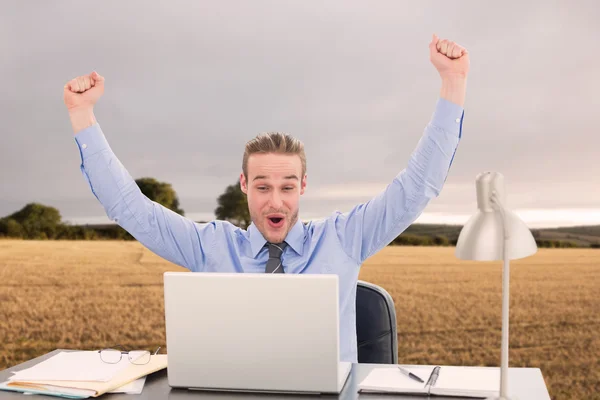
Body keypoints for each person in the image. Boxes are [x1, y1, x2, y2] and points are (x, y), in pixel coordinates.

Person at [63, 34, 469, 363]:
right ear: (244, 184)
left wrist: (453, 84)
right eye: (263, 187)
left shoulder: (344, 239)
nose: (275, 202)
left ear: (303, 186)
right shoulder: (211, 247)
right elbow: (132, 210)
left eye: (287, 187)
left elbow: (416, 188)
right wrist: (83, 116)